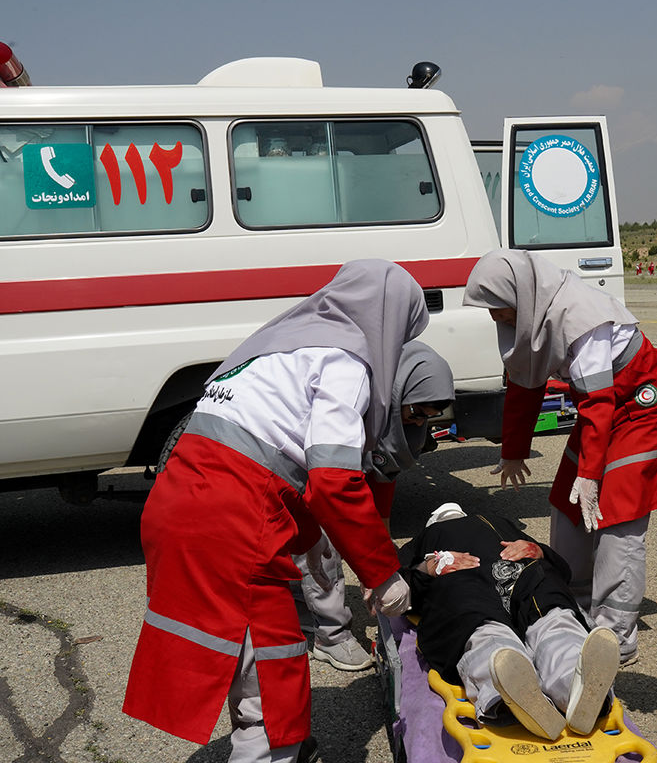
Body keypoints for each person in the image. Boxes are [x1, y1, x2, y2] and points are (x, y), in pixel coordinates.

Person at [122, 259, 428, 763]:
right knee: (272, 663)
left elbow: (279, 457)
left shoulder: (275, 346)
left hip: (178, 503)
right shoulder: (344, 361)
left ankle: (286, 743)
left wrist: (305, 539)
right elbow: (333, 481)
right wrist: (382, 573)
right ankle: (272, 750)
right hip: (232, 522)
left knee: (241, 644)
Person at [464, 249, 657, 666]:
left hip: (640, 405)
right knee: (567, 505)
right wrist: (513, 451)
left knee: (618, 513)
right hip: (600, 406)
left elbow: (599, 403)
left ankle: (616, 635)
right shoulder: (532, 314)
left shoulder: (580, 317)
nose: (495, 317)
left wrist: (591, 474)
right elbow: (524, 387)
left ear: (522, 295)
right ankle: (577, 605)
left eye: (499, 308)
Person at [399, 502, 620, 741]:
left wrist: (539, 551)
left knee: (540, 611)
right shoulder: (426, 538)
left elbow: (562, 571)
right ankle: (558, 681)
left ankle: (569, 689)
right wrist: (428, 566)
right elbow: (398, 588)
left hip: (518, 571)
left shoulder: (496, 521)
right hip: (469, 578)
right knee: (546, 621)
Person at [295, 341, 454, 671]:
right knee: (321, 541)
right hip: (305, 466)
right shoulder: (356, 397)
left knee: (314, 545)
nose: (418, 423)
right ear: (399, 395)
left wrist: (381, 558)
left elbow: (382, 480)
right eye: (415, 413)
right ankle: (331, 635)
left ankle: (301, 608)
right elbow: (332, 490)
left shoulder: (394, 411)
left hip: (327, 474)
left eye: (430, 417)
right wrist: (371, 568)